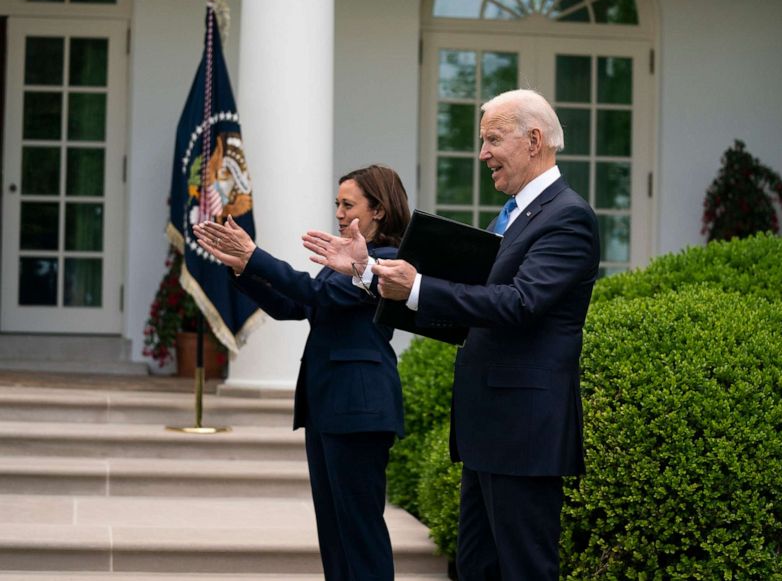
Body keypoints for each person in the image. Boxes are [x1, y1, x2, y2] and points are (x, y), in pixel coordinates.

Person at [304, 90, 600, 580]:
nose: (482, 154)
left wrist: (418, 286)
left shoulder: (567, 216)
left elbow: (520, 304)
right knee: (476, 568)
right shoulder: (513, 216)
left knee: (524, 569)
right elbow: (464, 310)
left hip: (525, 433)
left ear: (533, 140)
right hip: (489, 430)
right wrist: (367, 271)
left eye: (492, 140)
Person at [192, 164, 410, 581]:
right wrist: (243, 268)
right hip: (328, 407)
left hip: (360, 411)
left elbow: (316, 292)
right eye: (337, 204)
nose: (340, 213)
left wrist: (257, 256)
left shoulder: (386, 261)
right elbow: (298, 306)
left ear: (379, 210)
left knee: (360, 533)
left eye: (349, 204)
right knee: (333, 533)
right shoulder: (345, 260)